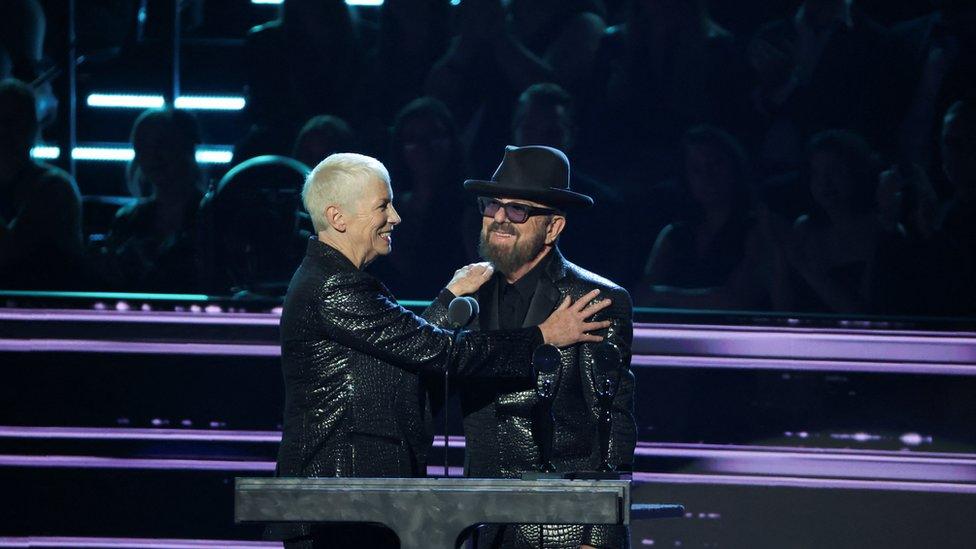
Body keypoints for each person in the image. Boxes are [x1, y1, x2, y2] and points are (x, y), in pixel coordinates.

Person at [270, 152, 613, 549]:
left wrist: (448, 298)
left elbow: (404, 351)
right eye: (383, 205)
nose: (396, 216)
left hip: (359, 499)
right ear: (339, 217)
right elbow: (440, 352)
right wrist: (542, 337)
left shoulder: (336, 281)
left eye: (517, 209)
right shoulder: (335, 286)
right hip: (340, 498)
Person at [425, 145, 636, 549]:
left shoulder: (591, 297)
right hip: (483, 521)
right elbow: (425, 360)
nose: (500, 218)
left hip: (561, 526)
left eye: (518, 209)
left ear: (553, 228)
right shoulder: (468, 297)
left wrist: (597, 532)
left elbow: (611, 418)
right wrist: (445, 299)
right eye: (491, 206)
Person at [98, 108, 204, 292]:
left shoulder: (213, 215)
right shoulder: (127, 220)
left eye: (162, 144)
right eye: (143, 147)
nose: (153, 156)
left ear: (186, 147)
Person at [0, 78, 84, 290]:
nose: (5, 132)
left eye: (14, 121)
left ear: (32, 127)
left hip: (42, 309)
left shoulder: (54, 186)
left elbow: (12, 251)